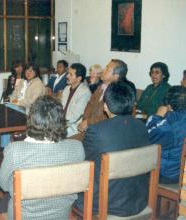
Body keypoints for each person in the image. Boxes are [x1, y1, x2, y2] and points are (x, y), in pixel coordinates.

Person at [0, 95, 85, 220]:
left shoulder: (15, 150)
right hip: (61, 215)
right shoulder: (77, 148)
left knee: (1, 204)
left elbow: (4, 185)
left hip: (24, 216)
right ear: (61, 120)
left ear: (31, 119)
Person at [74, 81, 150, 217]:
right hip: (138, 200)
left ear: (105, 107)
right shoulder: (142, 127)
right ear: (133, 104)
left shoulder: (97, 131)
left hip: (105, 203)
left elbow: (84, 164)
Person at [75, 59, 136, 141]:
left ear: (116, 76)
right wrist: (84, 120)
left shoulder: (120, 93)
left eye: (107, 69)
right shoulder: (101, 86)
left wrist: (88, 122)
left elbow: (110, 115)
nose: (103, 70)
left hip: (105, 135)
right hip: (90, 130)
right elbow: (90, 104)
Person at [146, 86, 186, 184]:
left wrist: (157, 116)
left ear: (169, 105)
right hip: (181, 171)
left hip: (167, 174)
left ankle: (145, 198)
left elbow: (147, 135)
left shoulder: (171, 122)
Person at [61, 63, 91, 137]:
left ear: (79, 78)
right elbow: (61, 107)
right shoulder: (66, 89)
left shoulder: (84, 92)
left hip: (73, 127)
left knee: (51, 133)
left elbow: (74, 116)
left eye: (70, 74)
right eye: (68, 73)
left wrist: (58, 123)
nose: (67, 76)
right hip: (62, 122)